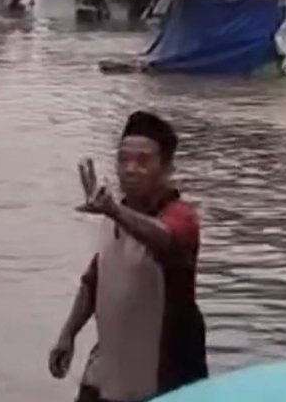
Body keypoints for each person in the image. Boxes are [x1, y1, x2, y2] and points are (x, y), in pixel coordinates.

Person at [49, 111, 207, 402]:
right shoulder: (112, 215)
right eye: (123, 160)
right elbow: (94, 280)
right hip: (110, 365)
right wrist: (68, 333)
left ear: (167, 168)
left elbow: (166, 238)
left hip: (165, 375)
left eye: (143, 161)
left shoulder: (181, 218)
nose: (130, 169)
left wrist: (113, 210)